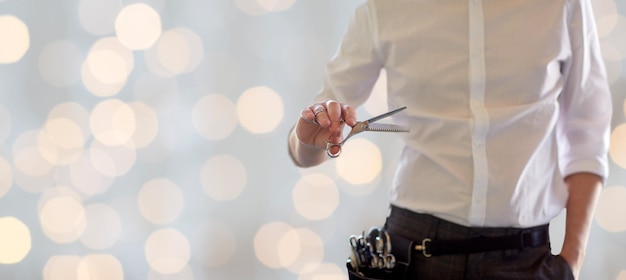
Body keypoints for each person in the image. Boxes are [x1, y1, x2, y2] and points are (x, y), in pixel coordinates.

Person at [288, 0, 612, 279]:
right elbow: (313, 144)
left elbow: (588, 135)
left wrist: (571, 262)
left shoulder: (561, 5)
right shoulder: (385, 8)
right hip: (413, 254)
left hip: (526, 259)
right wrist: (307, 141)